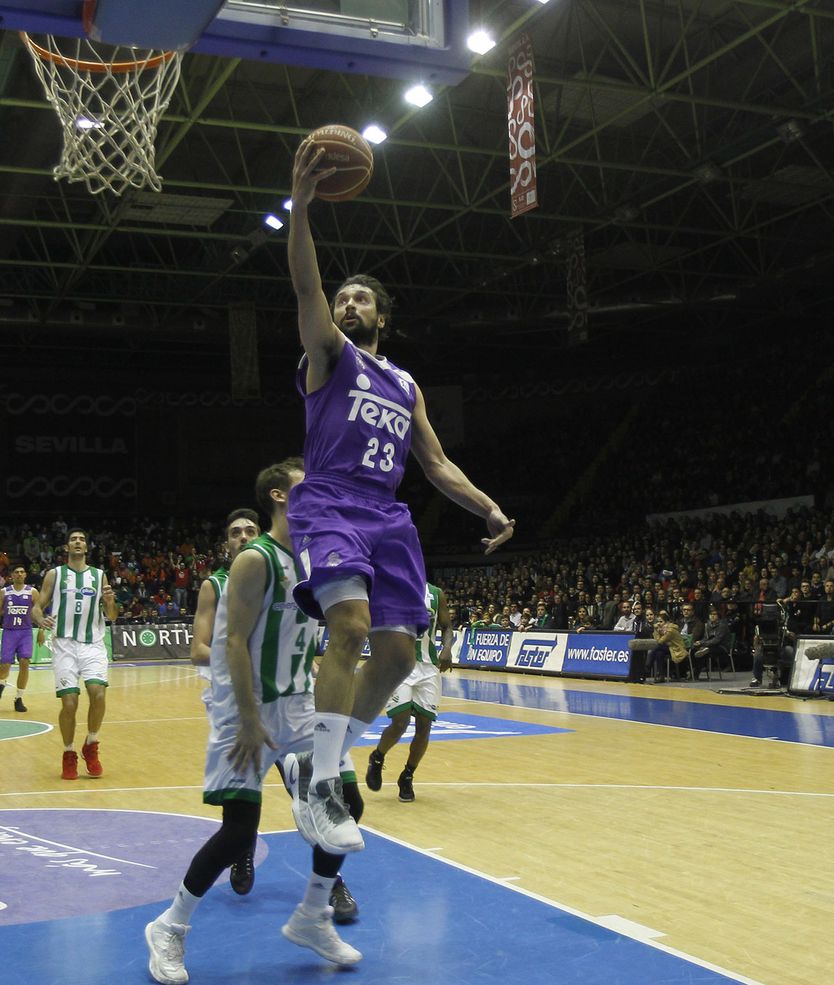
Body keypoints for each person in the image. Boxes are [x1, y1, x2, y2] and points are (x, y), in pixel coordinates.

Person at [284, 137, 515, 854]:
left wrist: (489, 507)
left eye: (361, 298)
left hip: (387, 515)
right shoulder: (330, 355)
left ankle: (315, 758)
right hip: (331, 501)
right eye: (343, 297)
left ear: (382, 315)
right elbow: (305, 289)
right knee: (349, 627)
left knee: (396, 655)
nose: (347, 303)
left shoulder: (406, 384)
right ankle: (325, 780)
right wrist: (301, 207)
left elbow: (437, 463)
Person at [144, 458, 362, 985]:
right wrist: (245, 718)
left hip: (299, 706)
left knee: (347, 802)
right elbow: (233, 642)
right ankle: (169, 927)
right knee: (238, 831)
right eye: (307, 484)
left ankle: (313, 914)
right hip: (245, 708)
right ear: (280, 496)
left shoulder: (314, 557)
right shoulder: (255, 559)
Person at [190, 508, 261, 895]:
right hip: (228, 695)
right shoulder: (214, 586)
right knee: (243, 781)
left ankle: (330, 876)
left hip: (277, 691)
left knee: (302, 782)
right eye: (236, 532)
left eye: (251, 530)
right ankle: (242, 851)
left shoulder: (277, 580)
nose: (244, 536)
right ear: (227, 544)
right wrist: (243, 656)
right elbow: (198, 649)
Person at [35, 529, 117, 779]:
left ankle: (91, 744)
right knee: (70, 702)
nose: (78, 542)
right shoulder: (55, 574)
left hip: (93, 643)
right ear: (67, 547)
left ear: (87, 547)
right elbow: (36, 607)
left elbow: (112, 616)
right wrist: (40, 620)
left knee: (98, 693)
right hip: (64, 644)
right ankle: (69, 752)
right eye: (73, 539)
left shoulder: (99, 575)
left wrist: (110, 603)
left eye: (81, 539)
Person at [365, 584, 455, 802]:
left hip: (428, 668)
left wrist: (447, 649)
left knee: (424, 727)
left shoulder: (436, 594)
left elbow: (447, 627)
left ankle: (407, 776)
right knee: (400, 722)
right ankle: (377, 757)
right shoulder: (392, 589)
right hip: (399, 665)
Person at [0, 564, 42, 714]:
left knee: (25, 662)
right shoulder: (5, 592)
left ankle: (19, 698)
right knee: (5, 665)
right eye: (16, 572)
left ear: (25, 575)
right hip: (9, 632)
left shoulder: (32, 592)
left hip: (25, 632)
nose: (19, 574)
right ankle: (2, 683)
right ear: (12, 575)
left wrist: (42, 629)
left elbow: (39, 612)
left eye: (22, 572)